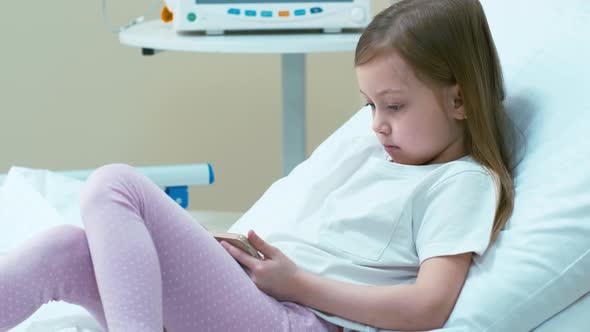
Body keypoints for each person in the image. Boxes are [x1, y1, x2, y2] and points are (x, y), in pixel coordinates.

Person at [0, 0, 515, 331]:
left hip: (298, 317)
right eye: (369, 105)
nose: (377, 124)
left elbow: (429, 307)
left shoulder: (460, 181)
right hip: (261, 296)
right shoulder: (376, 151)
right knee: (65, 249)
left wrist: (297, 284)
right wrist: (222, 250)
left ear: (460, 101)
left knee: (115, 185)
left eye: (394, 106)